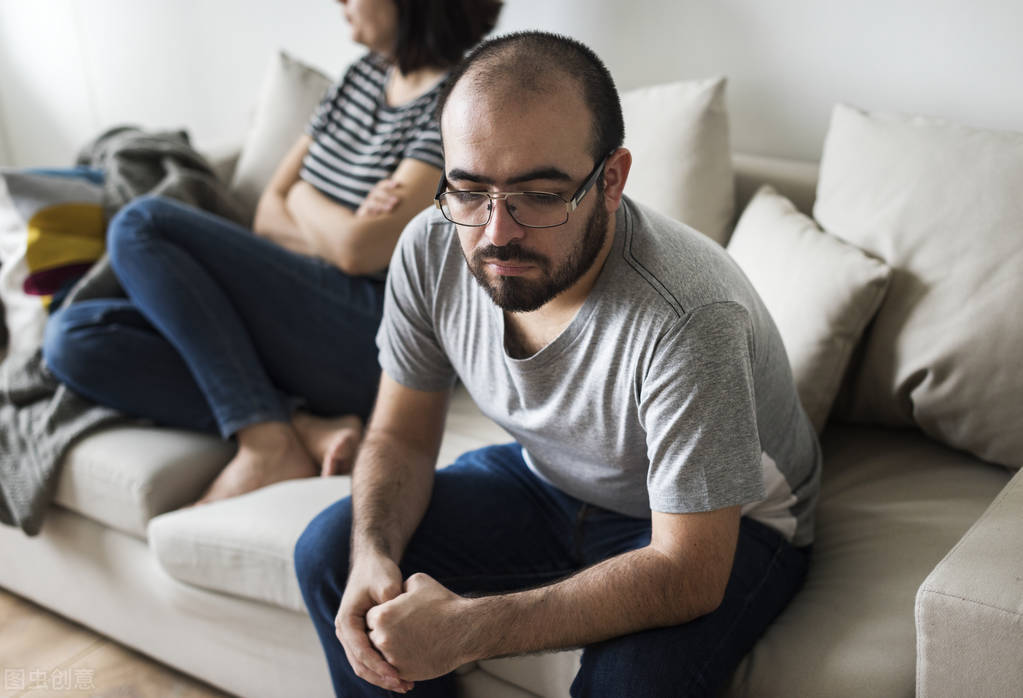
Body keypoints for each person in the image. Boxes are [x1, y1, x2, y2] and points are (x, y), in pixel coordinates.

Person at [293, 30, 823, 698]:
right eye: (469, 190)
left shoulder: (688, 314)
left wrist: (467, 629)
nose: (496, 233)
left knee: (627, 687)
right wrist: (374, 554)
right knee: (332, 556)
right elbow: (399, 434)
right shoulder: (431, 247)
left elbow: (688, 571)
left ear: (611, 179)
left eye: (539, 196)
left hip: (727, 523)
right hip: (551, 478)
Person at [41, 0, 502, 504]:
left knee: (142, 223)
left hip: (370, 332)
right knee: (74, 336)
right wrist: (330, 218)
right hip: (292, 314)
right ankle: (294, 427)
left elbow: (358, 251)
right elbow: (268, 212)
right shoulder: (360, 79)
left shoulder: (460, 101)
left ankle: (263, 444)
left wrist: (304, 198)